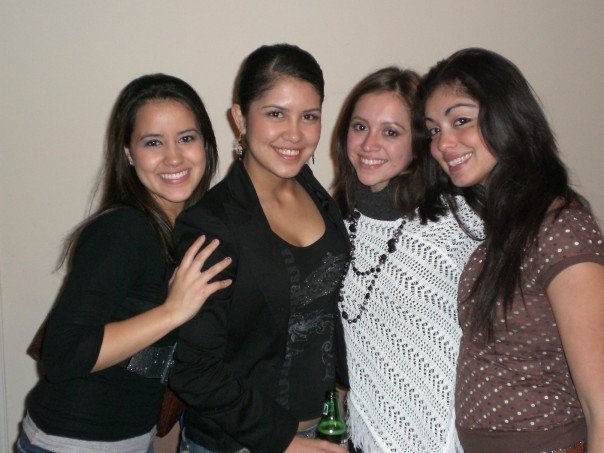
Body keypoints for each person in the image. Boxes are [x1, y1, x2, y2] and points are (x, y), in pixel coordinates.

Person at [18, 74, 232, 453]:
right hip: (73, 442)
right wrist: (173, 311)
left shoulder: (187, 228)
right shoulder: (123, 230)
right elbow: (63, 354)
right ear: (129, 154)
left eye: (186, 138)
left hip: (131, 438)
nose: (174, 157)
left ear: (206, 144)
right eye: (153, 142)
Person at [416, 48, 604, 453]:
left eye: (460, 120)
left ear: (507, 116)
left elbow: (601, 402)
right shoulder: (501, 232)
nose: (442, 144)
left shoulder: (561, 229)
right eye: (433, 130)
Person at [171, 44, 349, 453]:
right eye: (275, 114)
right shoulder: (211, 224)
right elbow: (193, 369)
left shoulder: (316, 194)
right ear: (240, 118)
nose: (295, 134)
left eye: (309, 116)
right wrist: (284, 440)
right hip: (242, 443)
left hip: (321, 430)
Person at [332, 67, 483, 452]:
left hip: (450, 431)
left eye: (391, 132)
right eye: (360, 127)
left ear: (418, 143)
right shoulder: (336, 223)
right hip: (364, 430)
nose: (369, 145)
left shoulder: (459, 223)